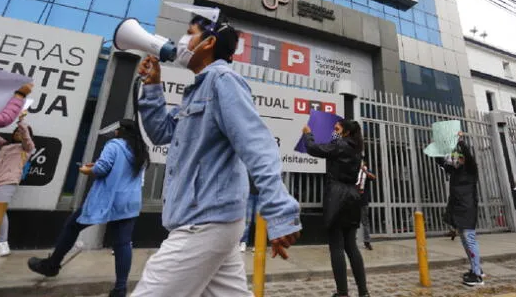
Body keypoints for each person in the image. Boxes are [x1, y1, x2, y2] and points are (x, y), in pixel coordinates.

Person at [132, 16, 301, 296]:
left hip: (204, 221)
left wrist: (280, 212)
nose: (182, 41)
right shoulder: (198, 90)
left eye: (190, 34)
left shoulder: (223, 80)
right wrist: (152, 87)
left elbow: (258, 145)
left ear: (209, 42)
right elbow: (162, 132)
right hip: (213, 219)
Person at [27, 119, 149, 297]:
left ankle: (52, 265)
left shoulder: (114, 145)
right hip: (130, 201)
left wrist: (87, 169)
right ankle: (120, 289)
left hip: (108, 198)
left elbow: (102, 168)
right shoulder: (140, 151)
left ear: (120, 131)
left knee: (72, 226)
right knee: (123, 243)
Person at [303, 119, 370, 297]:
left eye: (338, 129)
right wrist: (336, 132)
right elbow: (335, 143)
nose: (335, 131)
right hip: (352, 197)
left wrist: (308, 134)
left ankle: (342, 293)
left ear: (346, 132)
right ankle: (363, 292)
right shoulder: (356, 148)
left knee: (337, 247)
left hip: (337, 197)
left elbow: (314, 149)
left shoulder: (340, 146)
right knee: (351, 246)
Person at [435, 132, 484, 286]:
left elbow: (468, 157)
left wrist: (461, 141)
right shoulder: (455, 171)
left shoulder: (470, 170)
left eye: (459, 157)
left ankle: (477, 275)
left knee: (469, 240)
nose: (456, 160)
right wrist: (437, 147)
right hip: (458, 208)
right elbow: (441, 161)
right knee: (464, 240)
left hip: (467, 208)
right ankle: (476, 269)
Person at [0, 113, 34, 257]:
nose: (18, 134)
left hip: (8, 181)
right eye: (16, 132)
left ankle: (3, 244)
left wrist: (21, 122)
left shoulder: (27, 148)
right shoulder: (5, 145)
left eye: (20, 132)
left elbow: (26, 136)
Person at [357, 160, 377, 250]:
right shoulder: (354, 171)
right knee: (351, 221)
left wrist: (364, 171)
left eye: (361, 162)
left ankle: (367, 242)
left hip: (363, 200)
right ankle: (350, 242)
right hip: (353, 199)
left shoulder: (367, 171)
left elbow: (374, 177)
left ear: (364, 163)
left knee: (365, 222)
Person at [240, 174, 259, 252]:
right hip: (249, 193)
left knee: (258, 221)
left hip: (259, 194)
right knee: (247, 220)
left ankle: (257, 243)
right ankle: (243, 242)